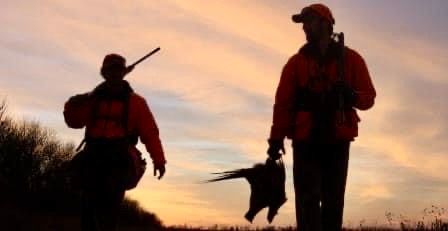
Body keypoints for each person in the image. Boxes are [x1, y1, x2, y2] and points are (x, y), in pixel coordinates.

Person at [267, 3, 376, 231]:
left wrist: (351, 96)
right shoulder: (295, 64)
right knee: (307, 205)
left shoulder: (352, 60)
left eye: (309, 21)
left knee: (333, 204)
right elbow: (283, 105)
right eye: (303, 23)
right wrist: (275, 141)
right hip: (306, 141)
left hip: (338, 140)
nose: (305, 27)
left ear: (325, 24)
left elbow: (369, 98)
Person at [63, 54, 166, 231]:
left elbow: (150, 133)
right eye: (110, 70)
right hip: (92, 158)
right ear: (104, 73)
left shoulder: (137, 102)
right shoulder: (91, 99)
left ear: (124, 73)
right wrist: (72, 104)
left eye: (118, 70)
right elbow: (74, 122)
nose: (114, 74)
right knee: (88, 211)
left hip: (118, 161)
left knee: (109, 213)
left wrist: (159, 160)